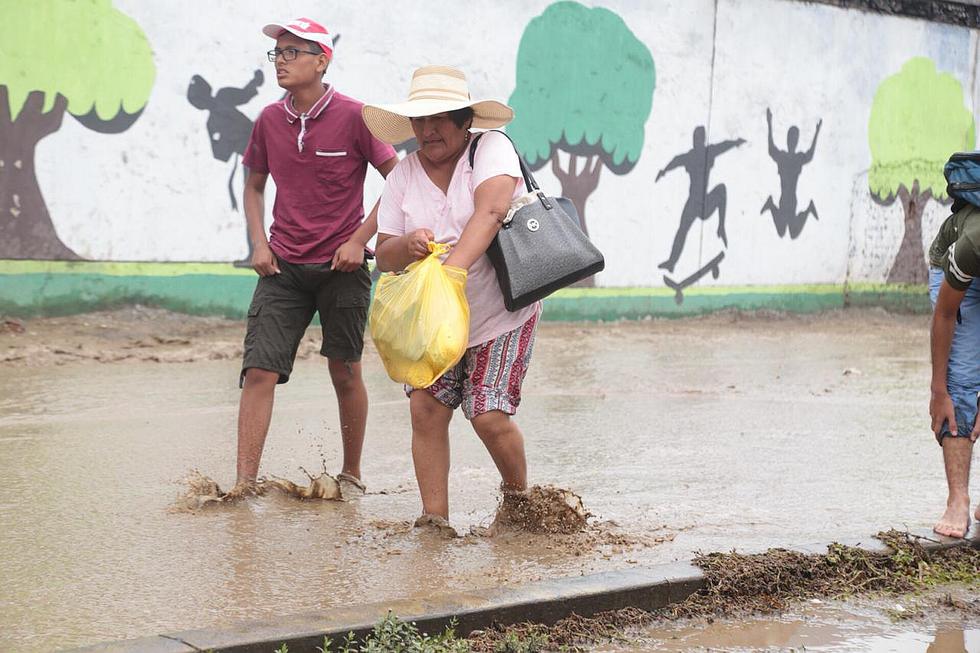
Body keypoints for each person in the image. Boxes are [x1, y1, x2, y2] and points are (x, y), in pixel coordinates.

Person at [364, 66, 540, 530]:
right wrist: (409, 245)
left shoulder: (491, 148)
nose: (427, 130)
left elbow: (492, 210)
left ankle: (520, 503)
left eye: (440, 118)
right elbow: (384, 254)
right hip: (435, 318)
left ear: (466, 121)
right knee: (426, 408)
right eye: (419, 120)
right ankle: (434, 520)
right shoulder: (402, 175)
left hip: (498, 311)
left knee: (488, 414)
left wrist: (452, 270)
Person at [233, 17, 398, 494]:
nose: (281, 61)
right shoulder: (268, 119)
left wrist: (358, 239)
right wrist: (259, 244)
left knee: (344, 369)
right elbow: (254, 185)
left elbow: (402, 183)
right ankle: (244, 483)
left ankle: (352, 473)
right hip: (281, 265)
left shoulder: (356, 116)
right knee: (259, 370)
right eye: (277, 53)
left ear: (321, 61)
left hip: (341, 268)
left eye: (291, 52)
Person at [928, 199, 980, 538]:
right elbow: (946, 315)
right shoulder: (973, 244)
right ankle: (957, 499)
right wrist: (939, 390)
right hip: (957, 272)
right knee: (960, 379)